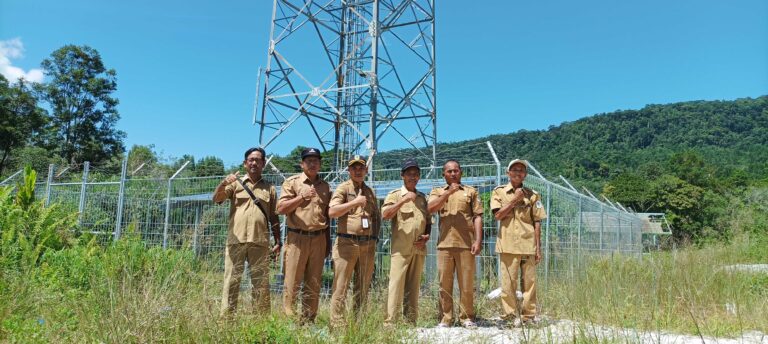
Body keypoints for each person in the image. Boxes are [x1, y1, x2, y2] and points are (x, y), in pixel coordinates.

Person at [213, 147, 281, 316]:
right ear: (245, 163)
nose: (254, 163)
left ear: (264, 164)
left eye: (258, 160)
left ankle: (261, 325)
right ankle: (226, 323)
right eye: (251, 159)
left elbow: (273, 217)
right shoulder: (235, 184)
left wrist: (278, 241)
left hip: (260, 242)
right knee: (231, 282)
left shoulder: (270, 188)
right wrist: (223, 183)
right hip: (236, 240)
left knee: (261, 285)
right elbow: (217, 199)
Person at [276, 147, 332, 324]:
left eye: (316, 161)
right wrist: (301, 197)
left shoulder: (325, 186)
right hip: (297, 239)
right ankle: (289, 321)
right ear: (302, 164)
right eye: (309, 160)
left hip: (319, 239)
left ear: (320, 164)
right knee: (292, 282)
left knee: (313, 283)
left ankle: (308, 322)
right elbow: (280, 209)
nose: (313, 163)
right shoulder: (292, 183)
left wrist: (328, 242)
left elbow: (327, 216)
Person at [491, 159, 547, 327]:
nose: (518, 172)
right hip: (507, 245)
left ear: (525, 175)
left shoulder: (533, 195)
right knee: (508, 283)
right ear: (508, 173)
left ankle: (528, 316)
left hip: (528, 244)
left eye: (521, 170)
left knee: (529, 283)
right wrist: (515, 200)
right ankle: (509, 315)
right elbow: (498, 215)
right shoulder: (499, 192)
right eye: (514, 169)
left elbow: (537, 221)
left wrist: (538, 247)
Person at [427, 159, 483, 328]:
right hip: (444, 244)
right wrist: (448, 193)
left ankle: (467, 317)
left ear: (461, 172)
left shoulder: (470, 192)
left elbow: (477, 216)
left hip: (466, 243)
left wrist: (478, 240)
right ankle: (446, 318)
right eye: (449, 171)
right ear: (444, 174)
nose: (453, 174)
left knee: (466, 283)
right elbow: (430, 209)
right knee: (444, 283)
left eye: (456, 171)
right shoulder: (437, 191)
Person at [327, 155, 381, 328]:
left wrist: (374, 238)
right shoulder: (343, 188)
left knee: (363, 286)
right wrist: (355, 202)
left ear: (366, 170)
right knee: (341, 285)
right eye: (354, 168)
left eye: (361, 168)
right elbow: (332, 212)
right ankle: (337, 324)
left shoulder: (370, 192)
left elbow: (377, 217)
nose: (358, 171)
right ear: (349, 170)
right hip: (347, 243)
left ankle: (359, 322)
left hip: (367, 244)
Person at [382, 158, 431, 325]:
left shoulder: (423, 198)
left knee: (413, 286)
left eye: (416, 174)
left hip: (418, 249)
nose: (413, 177)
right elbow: (385, 215)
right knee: (396, 286)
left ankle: (410, 322)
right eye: (409, 173)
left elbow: (428, 222)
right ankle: (391, 322)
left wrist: (426, 236)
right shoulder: (395, 195)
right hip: (400, 250)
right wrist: (403, 200)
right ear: (402, 175)